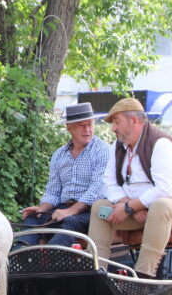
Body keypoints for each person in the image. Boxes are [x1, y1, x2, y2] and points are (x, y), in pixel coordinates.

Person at [87, 98, 172, 278]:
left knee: (161, 206)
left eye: (116, 122)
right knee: (100, 209)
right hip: (135, 208)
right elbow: (109, 182)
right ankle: (96, 273)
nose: (113, 128)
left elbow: (165, 190)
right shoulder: (118, 147)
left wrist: (130, 207)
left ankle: (144, 276)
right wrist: (128, 206)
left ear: (133, 121)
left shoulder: (161, 144)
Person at [17, 102, 110, 248]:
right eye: (81, 125)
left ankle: (51, 259)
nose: (87, 130)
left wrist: (69, 211)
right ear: (69, 128)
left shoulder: (102, 151)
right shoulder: (59, 155)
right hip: (62, 208)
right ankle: (18, 259)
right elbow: (53, 191)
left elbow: (97, 189)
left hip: (91, 211)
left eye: (90, 124)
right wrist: (43, 208)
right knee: (32, 219)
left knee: (69, 222)